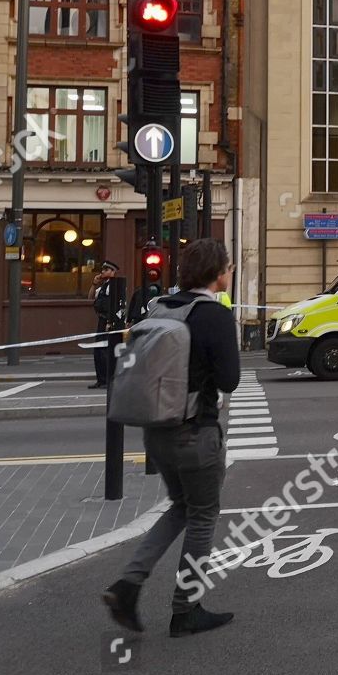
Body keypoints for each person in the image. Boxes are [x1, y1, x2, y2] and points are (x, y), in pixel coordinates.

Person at [102, 238, 241, 638]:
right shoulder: (212, 315)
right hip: (196, 431)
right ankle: (186, 610)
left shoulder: (161, 306)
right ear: (217, 274)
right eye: (228, 268)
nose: (230, 273)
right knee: (202, 517)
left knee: (180, 507)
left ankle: (127, 584)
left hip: (156, 430)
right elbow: (229, 378)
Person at [90, 261, 126, 389]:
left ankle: (107, 379)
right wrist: (94, 284)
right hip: (101, 321)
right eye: (103, 269)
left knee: (105, 351)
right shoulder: (103, 286)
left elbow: (116, 304)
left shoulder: (114, 286)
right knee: (98, 351)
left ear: (112, 271)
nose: (103, 272)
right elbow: (91, 298)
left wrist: (110, 322)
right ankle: (101, 379)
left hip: (108, 322)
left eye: (106, 270)